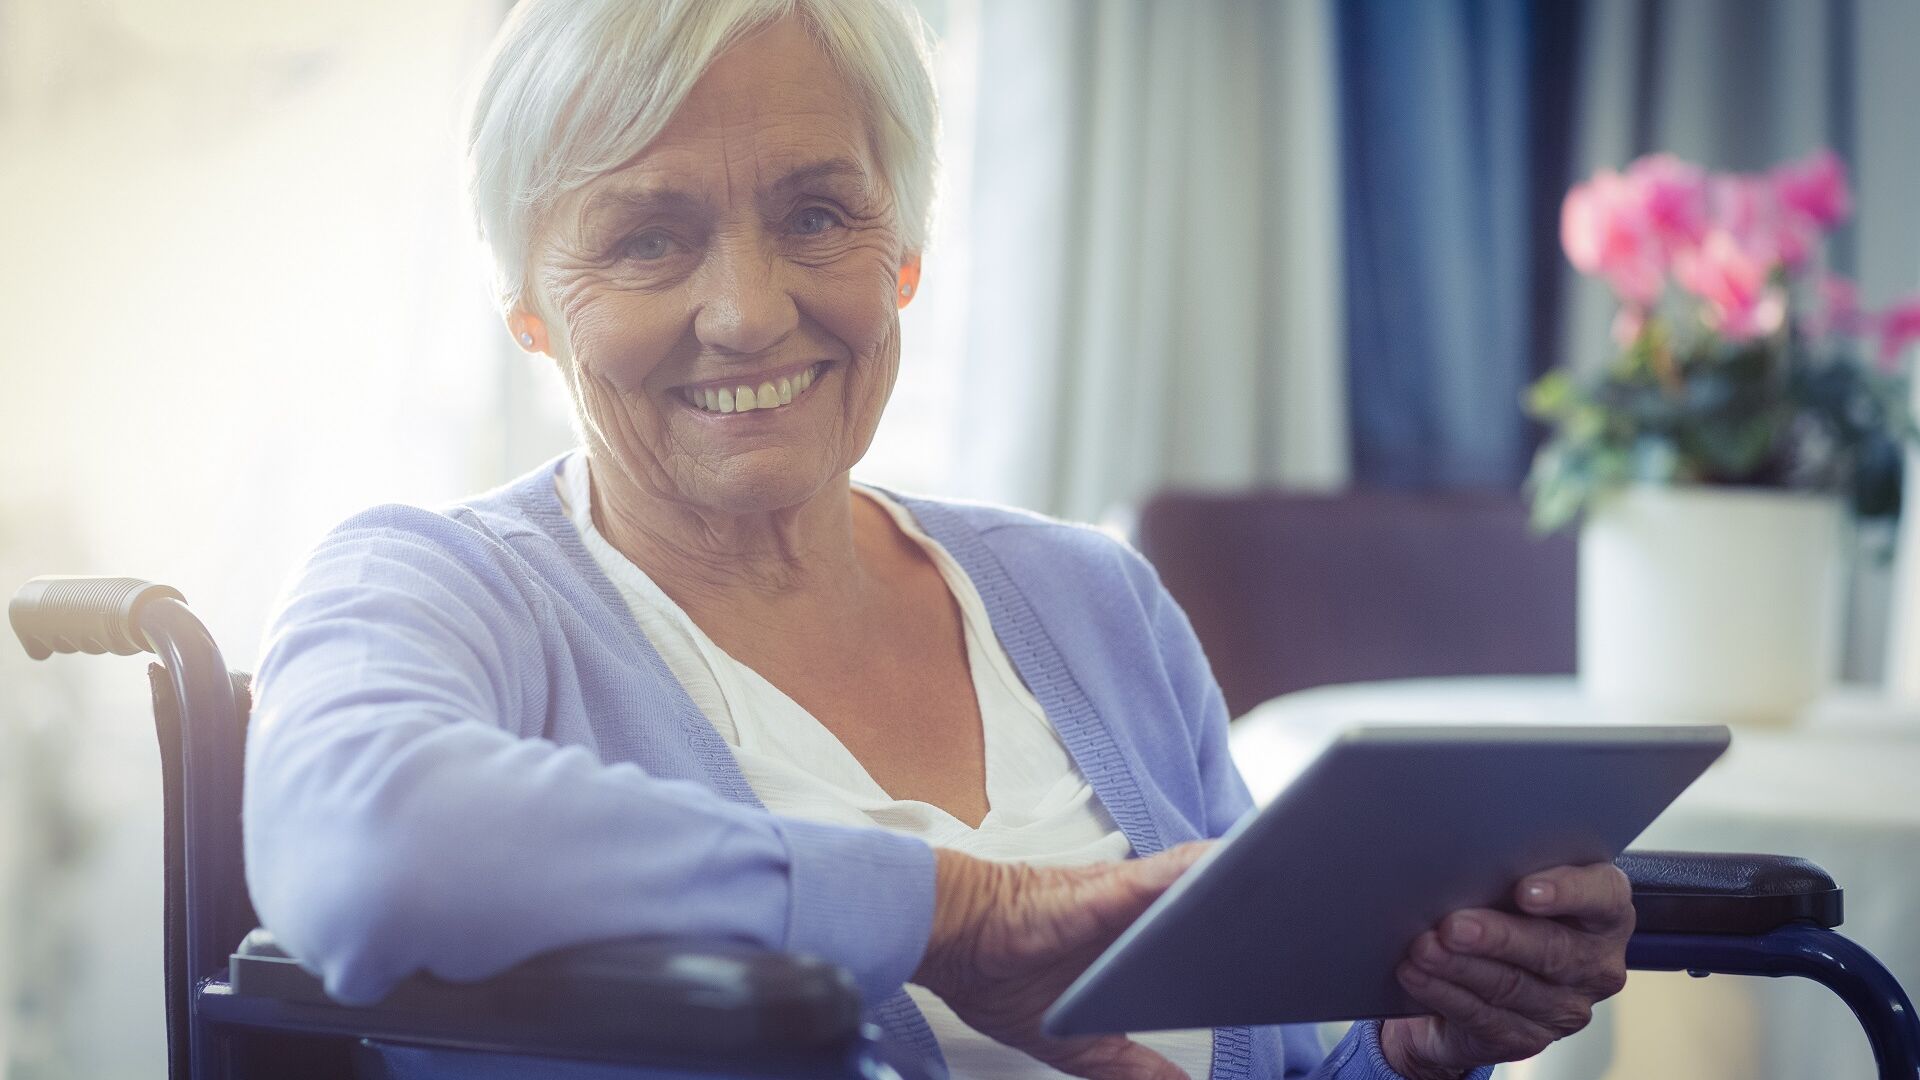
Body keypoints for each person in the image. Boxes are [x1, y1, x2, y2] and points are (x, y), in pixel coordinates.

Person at [244, 2, 1633, 1077]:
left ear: (902, 249)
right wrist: (951, 915)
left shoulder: (1094, 601)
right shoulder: (435, 587)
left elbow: (1277, 1049)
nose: (747, 309)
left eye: (815, 215)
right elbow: (361, 848)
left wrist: (1407, 1046)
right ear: (531, 309)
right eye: (648, 239)